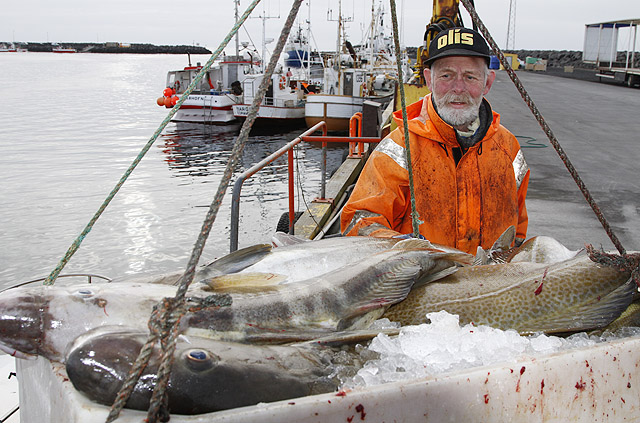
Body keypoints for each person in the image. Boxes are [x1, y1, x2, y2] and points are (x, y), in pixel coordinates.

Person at [340, 27, 529, 254]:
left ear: (487, 83)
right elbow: (360, 222)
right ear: (429, 79)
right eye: (446, 75)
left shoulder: (508, 148)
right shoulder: (399, 148)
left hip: (490, 285)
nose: (458, 88)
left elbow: (517, 231)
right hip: (422, 285)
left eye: (470, 77)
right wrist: (408, 251)